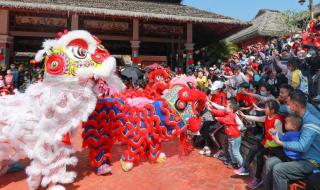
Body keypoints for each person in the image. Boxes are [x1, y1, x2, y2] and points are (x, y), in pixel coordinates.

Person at [263, 92, 320, 190]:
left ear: (296, 105)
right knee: (270, 162)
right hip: (297, 156)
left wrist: (280, 142)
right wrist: (277, 134)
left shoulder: (311, 122)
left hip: (310, 162)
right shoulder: (299, 118)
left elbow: (302, 146)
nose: (287, 107)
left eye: (289, 104)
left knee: (279, 169)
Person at [236, 100, 284, 189]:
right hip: (266, 142)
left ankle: (258, 178)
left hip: (274, 145)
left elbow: (280, 137)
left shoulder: (277, 121)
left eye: (266, 107)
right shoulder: (267, 117)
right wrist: (244, 115)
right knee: (253, 148)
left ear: (272, 110)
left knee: (259, 155)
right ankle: (245, 168)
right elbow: (256, 118)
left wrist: (271, 142)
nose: (264, 109)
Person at [207, 100, 243, 169]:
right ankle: (234, 163)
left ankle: (244, 168)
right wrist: (211, 110)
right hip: (231, 136)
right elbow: (220, 112)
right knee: (230, 150)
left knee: (235, 152)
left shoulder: (233, 116)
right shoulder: (229, 114)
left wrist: (217, 118)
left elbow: (224, 119)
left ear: (231, 109)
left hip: (235, 137)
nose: (225, 107)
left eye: (227, 107)